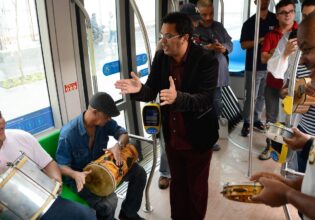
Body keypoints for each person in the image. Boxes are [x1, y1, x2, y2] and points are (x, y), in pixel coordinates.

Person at [115, 12, 219, 220]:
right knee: (178, 186)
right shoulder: (162, 57)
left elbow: (205, 100)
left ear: (184, 37)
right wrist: (139, 89)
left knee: (196, 190)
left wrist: (177, 98)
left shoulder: (206, 60)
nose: (163, 41)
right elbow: (151, 91)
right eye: (161, 35)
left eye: (168, 36)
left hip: (198, 137)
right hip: (172, 137)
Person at [251, 4, 315, 220]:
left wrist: (287, 194)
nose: (302, 59)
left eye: (309, 49)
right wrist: (308, 145)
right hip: (305, 127)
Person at [56, 92, 147, 220]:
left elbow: (123, 134)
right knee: (110, 202)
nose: (109, 119)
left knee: (139, 173)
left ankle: (128, 214)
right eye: (107, 116)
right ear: (94, 111)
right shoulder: (68, 134)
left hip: (104, 167)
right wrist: (75, 174)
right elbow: (60, 165)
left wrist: (118, 145)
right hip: (82, 178)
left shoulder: (103, 122)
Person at [266, 0, 315, 172]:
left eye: (314, 18)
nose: (308, 25)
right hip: (302, 128)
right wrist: (285, 56)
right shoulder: (293, 43)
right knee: (302, 176)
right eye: (306, 18)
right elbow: (282, 86)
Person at [0, 111, 97, 220]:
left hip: (44, 201)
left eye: (0, 116)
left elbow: (48, 164)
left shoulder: (21, 137)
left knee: (88, 216)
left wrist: (56, 182)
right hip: (15, 214)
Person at [157, 2, 203, 190]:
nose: (196, 25)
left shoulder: (198, 52)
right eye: (193, 21)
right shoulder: (164, 50)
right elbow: (155, 81)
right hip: (167, 100)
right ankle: (165, 172)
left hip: (188, 104)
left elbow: (203, 97)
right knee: (166, 137)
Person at [259, 0, 298, 160]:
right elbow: (263, 59)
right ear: (277, 15)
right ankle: (271, 147)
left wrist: (274, 55)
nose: (287, 14)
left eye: (290, 11)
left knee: (291, 119)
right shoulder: (271, 35)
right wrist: (279, 55)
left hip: (292, 86)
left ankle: (289, 151)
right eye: (283, 12)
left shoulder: (302, 32)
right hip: (273, 84)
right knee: (271, 118)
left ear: (295, 13)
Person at [194, 0, 232, 151]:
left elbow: (229, 41)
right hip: (202, 76)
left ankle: (212, 136)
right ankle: (203, 136)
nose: (208, 17)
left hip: (218, 75)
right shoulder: (195, 29)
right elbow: (191, 50)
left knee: (217, 105)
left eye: (211, 14)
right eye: (204, 14)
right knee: (202, 106)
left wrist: (224, 48)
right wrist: (207, 47)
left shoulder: (218, 26)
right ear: (198, 12)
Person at [240, 0, 278, 137]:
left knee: (262, 96)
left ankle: (256, 120)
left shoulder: (276, 19)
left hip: (271, 67)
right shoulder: (249, 23)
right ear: (255, 2)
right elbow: (243, 45)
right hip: (254, 66)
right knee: (251, 96)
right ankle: (246, 122)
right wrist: (260, 40)